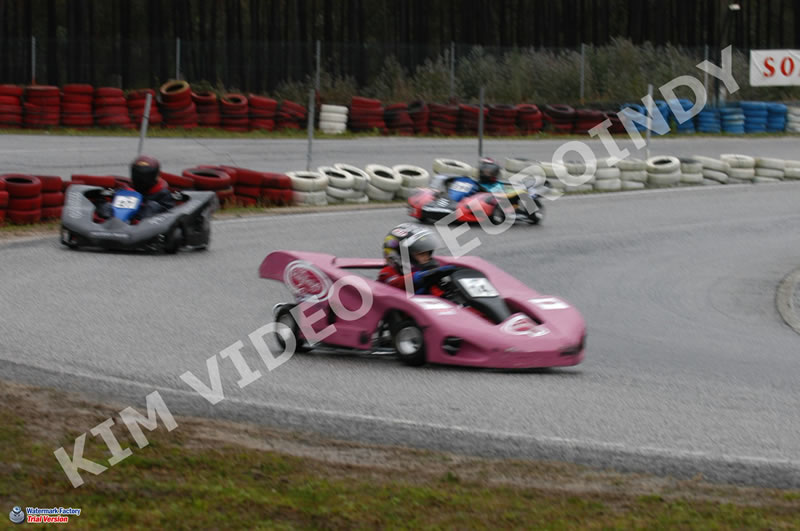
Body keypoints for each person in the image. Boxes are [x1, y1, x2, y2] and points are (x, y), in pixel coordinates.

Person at [378, 223, 456, 295]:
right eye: (421, 254)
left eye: (428, 253)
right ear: (400, 255)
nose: (427, 258)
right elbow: (396, 283)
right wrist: (422, 276)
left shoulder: (426, 269)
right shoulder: (386, 273)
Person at [97, 155, 175, 220]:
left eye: (145, 176)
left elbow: (169, 213)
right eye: (138, 175)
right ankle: (105, 222)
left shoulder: (162, 193)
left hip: (145, 223)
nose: (141, 179)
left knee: (152, 206)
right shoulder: (125, 188)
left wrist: (144, 205)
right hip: (118, 220)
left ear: (155, 176)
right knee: (106, 205)